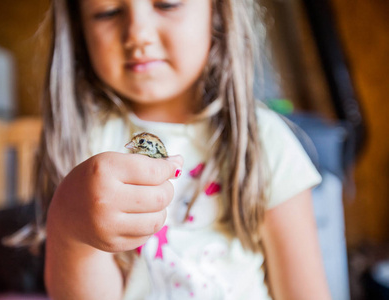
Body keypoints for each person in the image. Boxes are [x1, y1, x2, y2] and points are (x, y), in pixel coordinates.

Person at [37, 0, 332, 299]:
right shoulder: (84, 147)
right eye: (108, 12)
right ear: (78, 27)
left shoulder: (266, 142)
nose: (138, 34)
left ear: (216, 11)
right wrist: (69, 228)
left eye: (167, 4)